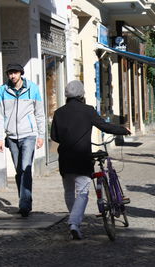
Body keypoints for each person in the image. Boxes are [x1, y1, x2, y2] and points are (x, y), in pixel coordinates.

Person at [51, 80, 130, 240]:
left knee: (68, 191)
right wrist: (122, 130)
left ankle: (74, 221)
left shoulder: (59, 112)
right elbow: (104, 126)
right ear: (81, 94)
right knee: (83, 192)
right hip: (82, 158)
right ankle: (74, 222)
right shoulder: (88, 110)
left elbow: (54, 136)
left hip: (65, 158)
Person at [0, 63, 45, 217]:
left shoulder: (33, 89)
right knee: (19, 170)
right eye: (10, 73)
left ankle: (24, 204)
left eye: (15, 72)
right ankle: (24, 199)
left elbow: (40, 114)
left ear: (21, 73)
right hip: (11, 136)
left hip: (29, 135)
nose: (12, 76)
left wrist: (41, 135)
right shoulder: (2, 91)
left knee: (26, 167)